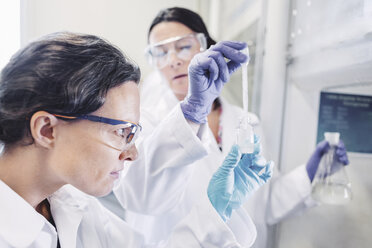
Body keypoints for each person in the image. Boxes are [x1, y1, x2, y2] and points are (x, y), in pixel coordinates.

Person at [0, 31, 272, 247]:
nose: (132, 154)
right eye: (121, 132)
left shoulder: (70, 206)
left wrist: (216, 213)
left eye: (133, 134)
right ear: (47, 130)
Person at [112, 7, 350, 248]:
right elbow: (138, 195)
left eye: (183, 46)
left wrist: (310, 175)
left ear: (208, 49)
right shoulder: (143, 123)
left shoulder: (246, 122)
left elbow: (260, 205)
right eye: (160, 53)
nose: (173, 60)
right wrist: (192, 112)